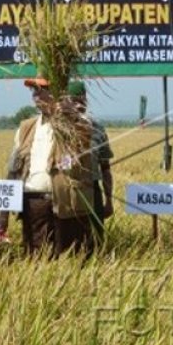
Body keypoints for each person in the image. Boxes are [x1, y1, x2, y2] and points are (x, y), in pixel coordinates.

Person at [0, 76, 95, 258]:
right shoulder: (26, 128)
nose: (36, 95)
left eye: (41, 90)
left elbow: (85, 139)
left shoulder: (77, 124)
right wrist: (3, 215)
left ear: (57, 93)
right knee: (36, 259)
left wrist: (69, 115)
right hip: (34, 205)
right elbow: (13, 171)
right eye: (34, 91)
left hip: (67, 205)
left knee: (69, 258)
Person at [68, 81, 114, 245]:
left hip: (92, 189)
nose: (79, 105)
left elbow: (106, 168)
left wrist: (109, 200)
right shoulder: (58, 130)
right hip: (67, 191)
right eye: (74, 101)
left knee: (95, 240)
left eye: (82, 100)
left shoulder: (97, 129)